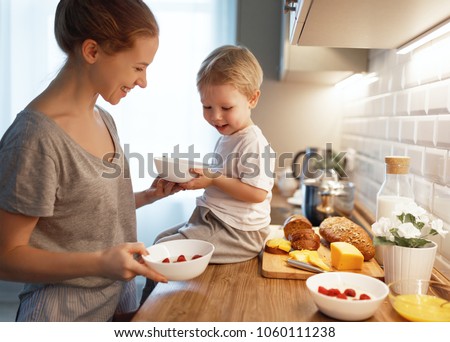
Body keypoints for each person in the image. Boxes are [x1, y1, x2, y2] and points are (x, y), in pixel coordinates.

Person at [0, 0, 181, 322]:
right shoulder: (34, 140)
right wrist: (100, 263)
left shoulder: (104, 118)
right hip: (62, 312)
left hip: (116, 296)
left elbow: (83, 218)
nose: (143, 82)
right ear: (92, 51)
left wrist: (147, 196)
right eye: (138, 67)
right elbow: (6, 257)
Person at [141, 45, 276, 303]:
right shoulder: (230, 136)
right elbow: (225, 178)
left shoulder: (254, 142)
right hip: (217, 221)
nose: (216, 117)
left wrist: (213, 178)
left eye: (226, 107)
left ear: (252, 99)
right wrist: (200, 177)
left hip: (238, 233)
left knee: (158, 252)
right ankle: (146, 307)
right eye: (207, 106)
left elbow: (257, 193)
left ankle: (145, 313)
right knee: (159, 240)